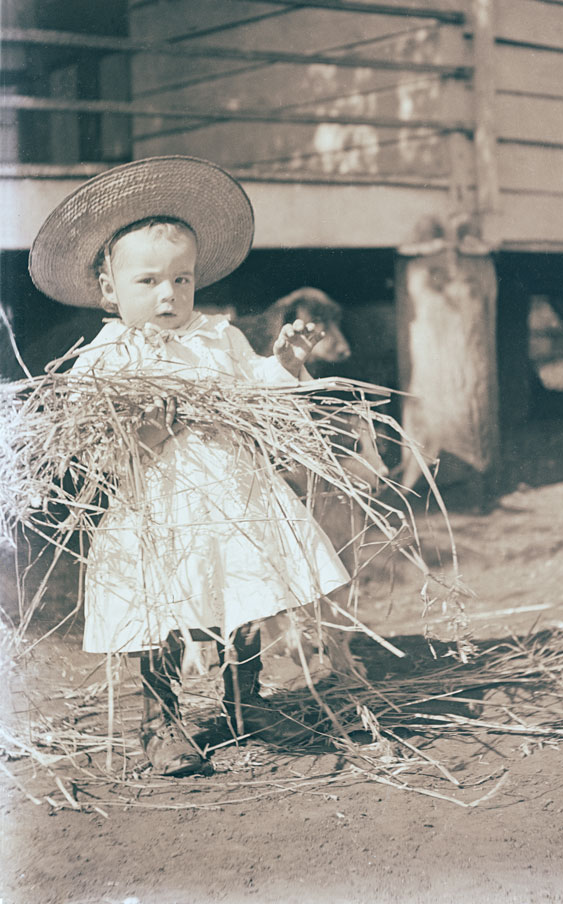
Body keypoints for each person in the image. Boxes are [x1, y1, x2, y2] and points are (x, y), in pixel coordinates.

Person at [28, 156, 355, 777]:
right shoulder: (103, 359)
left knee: (246, 591)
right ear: (108, 291)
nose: (169, 295)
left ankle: (243, 700)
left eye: (182, 280)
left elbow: (256, 389)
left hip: (231, 495)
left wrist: (284, 360)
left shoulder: (217, 337)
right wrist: (151, 425)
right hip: (158, 505)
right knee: (161, 609)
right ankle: (161, 722)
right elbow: (93, 447)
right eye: (149, 281)